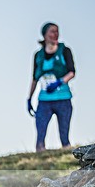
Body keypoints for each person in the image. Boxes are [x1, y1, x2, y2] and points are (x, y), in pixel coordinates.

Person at [27, 22, 76, 152]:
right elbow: (34, 78)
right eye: (52, 31)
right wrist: (29, 98)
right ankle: (40, 159)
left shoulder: (65, 51)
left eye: (57, 31)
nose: (56, 34)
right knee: (40, 136)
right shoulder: (38, 55)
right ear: (45, 35)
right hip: (44, 100)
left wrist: (59, 82)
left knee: (64, 137)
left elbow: (72, 72)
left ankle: (66, 157)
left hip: (63, 98)